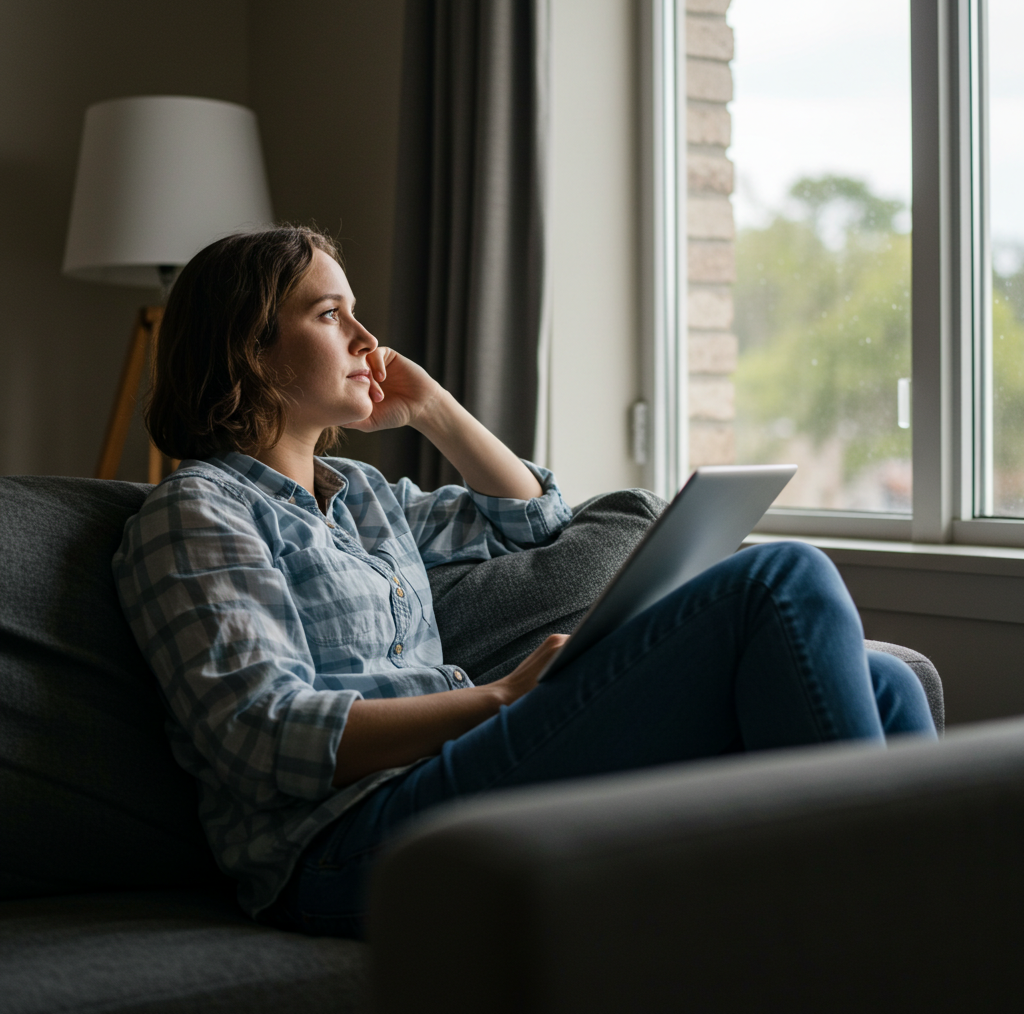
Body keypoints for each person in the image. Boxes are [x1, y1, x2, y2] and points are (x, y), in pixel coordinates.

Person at [114, 226, 936, 939]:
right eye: (332, 315)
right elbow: (261, 736)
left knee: (887, 681)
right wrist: (505, 699)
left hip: (456, 774)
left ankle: (921, 940)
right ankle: (865, 937)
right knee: (777, 578)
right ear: (248, 350)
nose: (370, 338)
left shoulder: (362, 497)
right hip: (343, 841)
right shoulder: (196, 511)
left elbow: (534, 521)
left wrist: (433, 409)